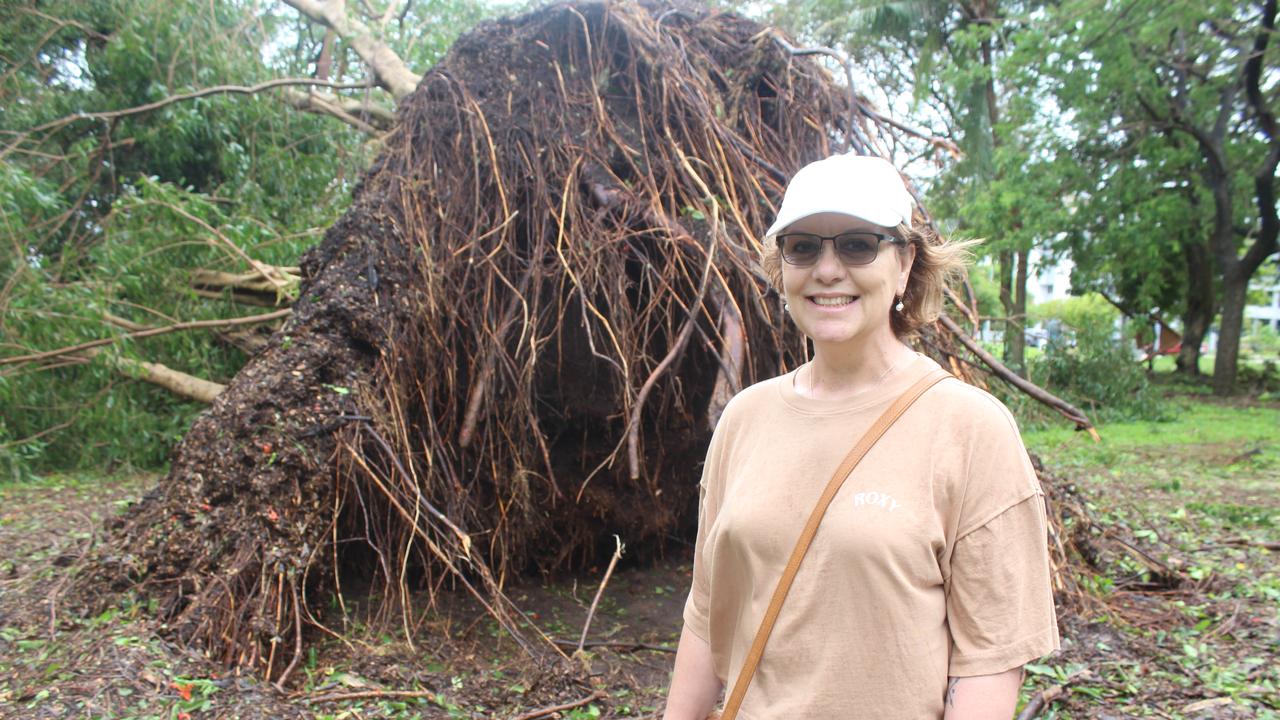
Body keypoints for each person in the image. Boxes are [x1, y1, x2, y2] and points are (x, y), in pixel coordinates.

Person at [663, 154, 1059, 719]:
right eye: (803, 246)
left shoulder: (971, 428)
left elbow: (990, 661)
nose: (827, 269)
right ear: (782, 268)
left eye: (857, 245)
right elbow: (707, 618)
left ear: (904, 265)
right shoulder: (744, 420)